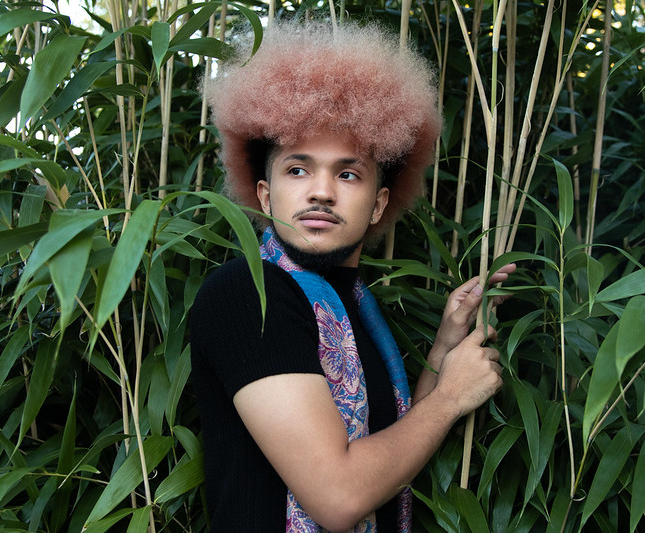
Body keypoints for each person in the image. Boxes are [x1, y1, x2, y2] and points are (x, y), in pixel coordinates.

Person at [190, 20, 515, 532]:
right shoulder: (248, 294)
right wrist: (451, 396)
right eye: (297, 169)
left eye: (348, 173)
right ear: (264, 194)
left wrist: (442, 352)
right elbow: (339, 496)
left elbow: (393, 452)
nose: (321, 191)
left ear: (379, 203)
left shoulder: (353, 308)